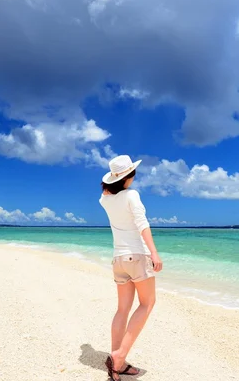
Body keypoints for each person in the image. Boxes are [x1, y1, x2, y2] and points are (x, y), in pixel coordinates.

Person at [99, 155, 163, 381]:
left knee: (122, 309)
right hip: (137, 255)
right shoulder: (132, 195)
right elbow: (142, 223)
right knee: (147, 303)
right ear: (129, 176)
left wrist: (111, 185)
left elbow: (106, 192)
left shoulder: (104, 200)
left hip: (118, 259)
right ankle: (119, 356)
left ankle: (119, 363)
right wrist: (154, 252)